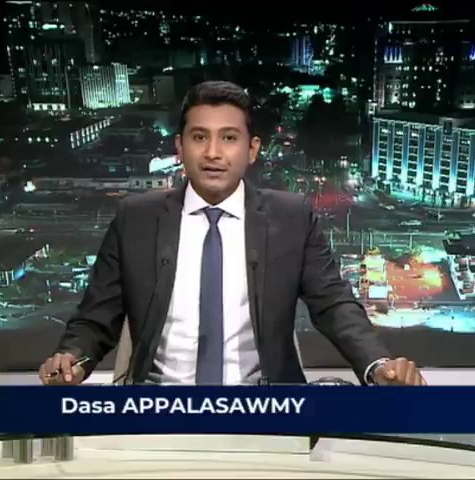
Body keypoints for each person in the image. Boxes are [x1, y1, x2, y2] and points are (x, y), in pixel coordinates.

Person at [39, 81, 425, 387]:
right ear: (180, 147)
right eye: (199, 137)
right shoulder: (136, 218)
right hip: (160, 408)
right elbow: (96, 317)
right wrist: (72, 359)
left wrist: (378, 364)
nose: (213, 153)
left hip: (262, 409)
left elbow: (334, 305)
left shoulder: (291, 217)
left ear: (252, 149)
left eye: (228, 138)